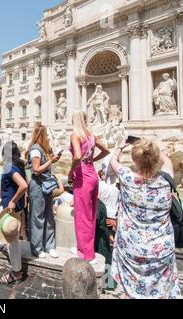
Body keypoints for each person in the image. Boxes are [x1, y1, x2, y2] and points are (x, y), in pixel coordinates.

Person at [110, 139, 181, 299]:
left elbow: (113, 160)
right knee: (162, 293)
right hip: (161, 250)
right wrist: (152, 147)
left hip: (132, 249)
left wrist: (121, 146)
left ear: (135, 160)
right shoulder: (166, 180)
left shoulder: (127, 178)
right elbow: (168, 160)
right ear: (155, 158)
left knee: (131, 291)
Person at [68, 111, 109, 264]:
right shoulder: (91, 135)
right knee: (90, 215)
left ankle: (86, 254)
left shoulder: (75, 135)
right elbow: (106, 150)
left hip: (82, 177)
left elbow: (77, 156)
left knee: (81, 215)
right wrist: (92, 160)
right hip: (93, 176)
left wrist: (70, 170)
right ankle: (84, 248)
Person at [27, 125, 62, 259]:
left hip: (46, 185)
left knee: (49, 216)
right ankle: (37, 248)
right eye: (46, 134)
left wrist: (53, 158)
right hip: (38, 186)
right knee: (37, 218)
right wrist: (50, 161)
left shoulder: (45, 149)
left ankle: (49, 246)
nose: (48, 137)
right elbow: (36, 170)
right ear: (41, 135)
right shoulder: (35, 150)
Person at [0, 141, 28, 284]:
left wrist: (13, 201)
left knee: (14, 241)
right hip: (14, 206)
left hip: (11, 207)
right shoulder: (19, 165)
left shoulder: (10, 167)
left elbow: (23, 185)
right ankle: (5, 242)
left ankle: (16, 272)